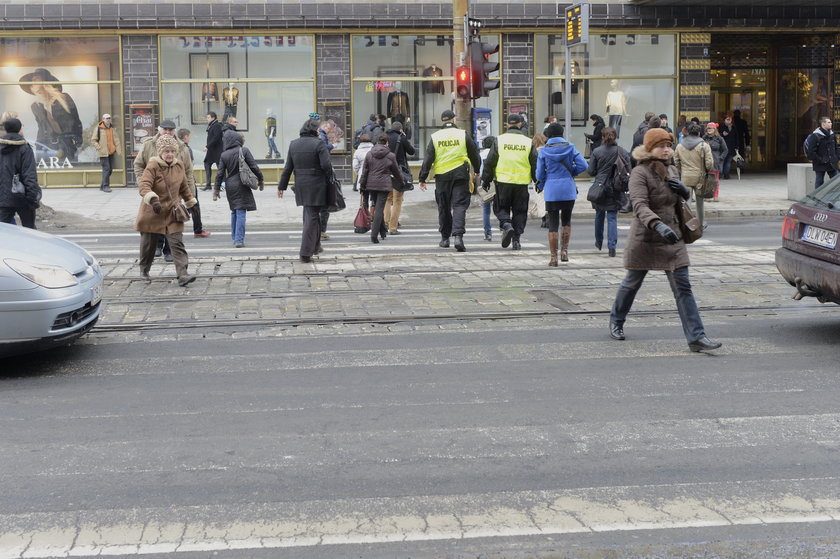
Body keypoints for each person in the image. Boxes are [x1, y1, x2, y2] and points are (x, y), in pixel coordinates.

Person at [609, 126, 722, 353]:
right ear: (650, 148)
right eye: (661, 146)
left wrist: (684, 191)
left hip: (673, 238)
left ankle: (696, 337)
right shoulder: (640, 173)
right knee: (632, 282)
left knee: (683, 287)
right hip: (647, 237)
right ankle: (616, 320)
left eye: (669, 146)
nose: (667, 150)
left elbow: (679, 202)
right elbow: (639, 206)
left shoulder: (672, 171)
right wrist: (658, 224)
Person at [135, 134, 198, 286]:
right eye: (166, 151)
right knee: (148, 246)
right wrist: (153, 198)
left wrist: (191, 203)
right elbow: (144, 185)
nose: (169, 154)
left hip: (172, 211)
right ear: (160, 152)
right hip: (153, 211)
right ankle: (144, 271)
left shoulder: (179, 165)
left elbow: (184, 187)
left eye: (172, 151)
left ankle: (183, 275)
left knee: (177, 243)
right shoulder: (153, 166)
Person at [418, 110, 481, 252]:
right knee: (459, 206)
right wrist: (477, 169)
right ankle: (458, 237)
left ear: (442, 121)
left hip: (442, 177)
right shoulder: (462, 134)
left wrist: (422, 178)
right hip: (460, 175)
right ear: (454, 119)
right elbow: (474, 154)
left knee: (444, 207)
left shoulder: (435, 137)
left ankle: (445, 239)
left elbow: (428, 159)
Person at [277, 118, 336, 263]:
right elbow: (326, 166)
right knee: (312, 217)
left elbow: (288, 168)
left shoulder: (294, 144)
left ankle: (316, 246)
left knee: (310, 214)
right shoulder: (319, 143)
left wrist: (281, 186)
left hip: (301, 185)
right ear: (315, 131)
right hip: (317, 184)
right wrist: (330, 180)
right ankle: (305, 252)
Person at [481, 113, 536, 251]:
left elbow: (489, 162)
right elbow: (535, 163)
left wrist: (486, 180)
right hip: (521, 184)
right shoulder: (528, 142)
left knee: (500, 208)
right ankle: (516, 239)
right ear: (520, 124)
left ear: (507, 124)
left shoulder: (499, 140)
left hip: (503, 182)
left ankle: (506, 225)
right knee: (520, 211)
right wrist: (538, 181)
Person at [535, 122, 587, 265]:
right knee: (566, 219)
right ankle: (564, 252)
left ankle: (553, 257)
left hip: (552, 189)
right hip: (568, 188)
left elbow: (539, 173)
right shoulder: (570, 147)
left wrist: (542, 181)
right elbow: (584, 165)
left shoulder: (544, 151)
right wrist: (571, 173)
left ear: (549, 135)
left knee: (552, 222)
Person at [213, 129, 264, 248]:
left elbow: (220, 174)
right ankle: (239, 240)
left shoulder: (224, 155)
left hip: (230, 185)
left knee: (234, 211)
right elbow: (254, 166)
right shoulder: (244, 150)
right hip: (242, 184)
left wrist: (216, 189)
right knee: (241, 212)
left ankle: (234, 237)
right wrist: (260, 179)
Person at [19, 68, 83, 161]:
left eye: (35, 79)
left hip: (66, 144)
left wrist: (78, 143)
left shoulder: (64, 98)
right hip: (46, 146)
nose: (33, 85)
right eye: (32, 82)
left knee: (67, 172)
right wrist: (38, 147)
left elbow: (76, 122)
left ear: (44, 81)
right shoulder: (36, 106)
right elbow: (41, 127)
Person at [587, 126, 629, 258]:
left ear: (602, 137)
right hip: (616, 187)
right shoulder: (622, 151)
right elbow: (629, 169)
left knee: (599, 215)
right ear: (615, 136)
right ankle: (612, 247)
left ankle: (598, 241)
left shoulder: (597, 151)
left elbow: (591, 171)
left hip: (600, 186)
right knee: (612, 218)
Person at [359, 135, 403, 244]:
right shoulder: (390, 156)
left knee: (376, 205)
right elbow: (396, 171)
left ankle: (382, 231)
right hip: (384, 185)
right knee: (379, 209)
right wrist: (401, 181)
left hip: (371, 185)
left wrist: (362, 185)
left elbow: (365, 171)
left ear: (377, 142)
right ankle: (374, 235)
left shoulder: (369, 154)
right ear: (387, 143)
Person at [0, 118, 41, 228]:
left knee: (3, 233)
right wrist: (32, 198)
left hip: (3, 199)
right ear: (19, 129)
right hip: (23, 197)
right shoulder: (24, 148)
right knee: (30, 232)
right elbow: (29, 175)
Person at [674, 123, 713, 228]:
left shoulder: (680, 146)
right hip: (700, 177)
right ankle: (700, 223)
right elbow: (709, 163)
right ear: (699, 133)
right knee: (700, 202)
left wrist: (681, 171)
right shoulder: (704, 145)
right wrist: (706, 170)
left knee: (687, 202)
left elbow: (676, 161)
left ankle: (687, 223)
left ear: (687, 132)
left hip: (686, 176)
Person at [383, 120, 415, 235]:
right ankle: (393, 228)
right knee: (397, 200)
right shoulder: (401, 138)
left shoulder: (385, 137)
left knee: (387, 199)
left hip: (386, 171)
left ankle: (385, 223)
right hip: (398, 172)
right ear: (401, 129)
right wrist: (405, 138)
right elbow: (412, 152)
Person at [90, 113, 120, 193]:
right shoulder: (98, 128)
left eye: (109, 118)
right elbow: (93, 140)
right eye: (106, 118)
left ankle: (102, 185)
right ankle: (106, 186)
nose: (108, 119)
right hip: (103, 153)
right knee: (106, 169)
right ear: (103, 119)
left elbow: (116, 139)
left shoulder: (112, 128)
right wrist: (99, 147)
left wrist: (118, 149)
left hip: (111, 152)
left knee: (110, 170)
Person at [805, 116, 838, 189]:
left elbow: (836, 148)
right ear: (823, 124)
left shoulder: (832, 135)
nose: (831, 124)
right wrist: (820, 160)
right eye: (829, 122)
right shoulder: (815, 135)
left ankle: (835, 199)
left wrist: (836, 157)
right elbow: (811, 152)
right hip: (820, 163)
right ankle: (817, 198)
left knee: (836, 182)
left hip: (831, 162)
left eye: (831, 122)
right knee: (819, 182)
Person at [702, 122, 728, 202]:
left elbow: (725, 150)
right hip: (705, 161)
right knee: (706, 179)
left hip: (715, 161)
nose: (709, 130)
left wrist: (720, 158)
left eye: (711, 128)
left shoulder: (719, 139)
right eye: (708, 128)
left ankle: (715, 195)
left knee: (715, 179)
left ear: (714, 129)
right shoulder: (704, 138)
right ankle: (708, 195)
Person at [478, 135, 495, 241]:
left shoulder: (481, 155)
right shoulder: (497, 153)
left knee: (486, 210)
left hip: (486, 182)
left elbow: (479, 172)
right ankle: (504, 229)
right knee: (501, 208)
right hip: (498, 181)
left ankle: (488, 233)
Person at [202, 112, 223, 191]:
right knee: (207, 164)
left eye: (208, 117)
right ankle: (208, 184)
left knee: (220, 168)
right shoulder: (212, 125)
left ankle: (220, 184)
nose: (207, 119)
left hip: (217, 150)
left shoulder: (217, 125)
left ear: (213, 118)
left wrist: (207, 146)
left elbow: (216, 138)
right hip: (212, 150)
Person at [352, 132, 374, 197]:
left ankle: (365, 206)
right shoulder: (373, 150)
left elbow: (355, 166)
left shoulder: (357, 152)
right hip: (373, 175)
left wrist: (359, 172)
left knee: (364, 197)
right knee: (372, 198)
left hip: (362, 175)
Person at [719, 114, 740, 180]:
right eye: (727, 119)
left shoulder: (734, 127)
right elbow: (717, 136)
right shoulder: (721, 127)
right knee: (722, 161)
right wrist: (722, 134)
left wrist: (736, 146)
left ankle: (726, 174)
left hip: (731, 147)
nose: (729, 121)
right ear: (724, 120)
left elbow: (736, 137)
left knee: (728, 161)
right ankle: (721, 174)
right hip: (722, 147)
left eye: (730, 119)